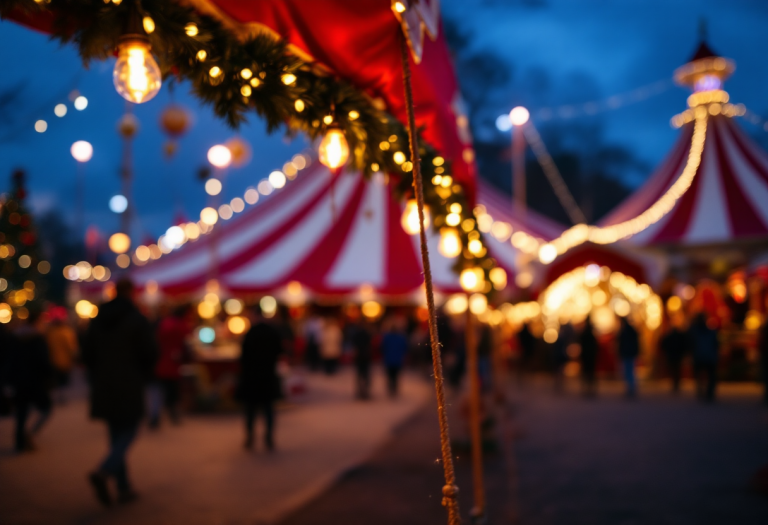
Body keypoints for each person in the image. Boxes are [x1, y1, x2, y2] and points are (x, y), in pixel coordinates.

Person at [83, 279, 158, 506]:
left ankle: (123, 487)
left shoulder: (98, 319)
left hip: (104, 384)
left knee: (115, 435)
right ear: (132, 293)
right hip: (129, 382)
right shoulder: (136, 319)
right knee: (130, 430)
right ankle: (105, 471)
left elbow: (87, 352)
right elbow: (151, 352)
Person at [7, 310, 52, 453]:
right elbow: (42, 361)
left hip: (18, 380)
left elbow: (9, 359)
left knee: (21, 412)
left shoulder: (14, 337)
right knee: (46, 408)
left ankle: (20, 441)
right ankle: (30, 434)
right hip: (35, 380)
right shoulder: (38, 338)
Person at [238, 307, 282, 451]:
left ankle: (250, 438)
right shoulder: (272, 332)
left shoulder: (250, 333)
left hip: (251, 378)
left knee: (250, 410)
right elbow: (279, 352)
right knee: (268, 409)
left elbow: (243, 357)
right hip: (268, 376)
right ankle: (269, 438)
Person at [150, 304, 192, 428]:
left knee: (159, 391)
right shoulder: (179, 325)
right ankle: (171, 414)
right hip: (171, 362)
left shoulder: (165, 323)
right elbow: (185, 339)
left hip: (161, 361)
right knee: (171, 390)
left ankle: (156, 417)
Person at [46, 306, 79, 403]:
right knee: (63, 380)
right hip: (65, 361)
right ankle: (62, 396)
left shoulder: (50, 333)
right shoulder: (67, 332)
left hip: (52, 361)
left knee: (57, 380)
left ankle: (58, 396)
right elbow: (72, 347)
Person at [688, 313, 719, 403]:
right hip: (707, 356)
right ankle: (707, 393)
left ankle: (704, 392)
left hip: (700, 356)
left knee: (702, 375)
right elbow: (716, 345)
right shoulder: (710, 332)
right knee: (709, 376)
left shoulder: (695, 332)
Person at [660, 319, 689, 394]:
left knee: (673, 369)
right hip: (678, 355)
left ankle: (675, 383)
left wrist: (666, 351)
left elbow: (663, 344)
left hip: (671, 355)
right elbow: (685, 344)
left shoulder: (669, 336)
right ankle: (677, 383)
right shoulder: (680, 336)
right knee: (677, 369)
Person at [381, 320, 409, 397]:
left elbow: (382, 347)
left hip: (389, 359)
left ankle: (391, 389)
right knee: (396, 376)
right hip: (397, 359)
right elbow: (405, 348)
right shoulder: (401, 337)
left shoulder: (387, 337)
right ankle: (394, 389)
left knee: (390, 375)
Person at [349, 321, 373, 399]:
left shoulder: (356, 335)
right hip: (366, 357)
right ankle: (365, 391)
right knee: (366, 375)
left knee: (359, 375)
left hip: (359, 357)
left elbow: (354, 346)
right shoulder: (367, 334)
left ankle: (360, 391)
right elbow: (370, 345)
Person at [617, 317, 640, 398]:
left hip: (627, 354)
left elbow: (621, 343)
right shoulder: (632, 331)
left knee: (628, 372)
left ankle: (630, 389)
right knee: (630, 371)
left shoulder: (624, 332)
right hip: (631, 353)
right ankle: (631, 389)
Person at [579, 316, 599, 398]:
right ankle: (591, 389)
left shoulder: (584, 333)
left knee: (586, 373)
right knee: (591, 373)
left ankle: (587, 389)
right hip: (591, 356)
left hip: (586, 356)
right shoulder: (592, 334)